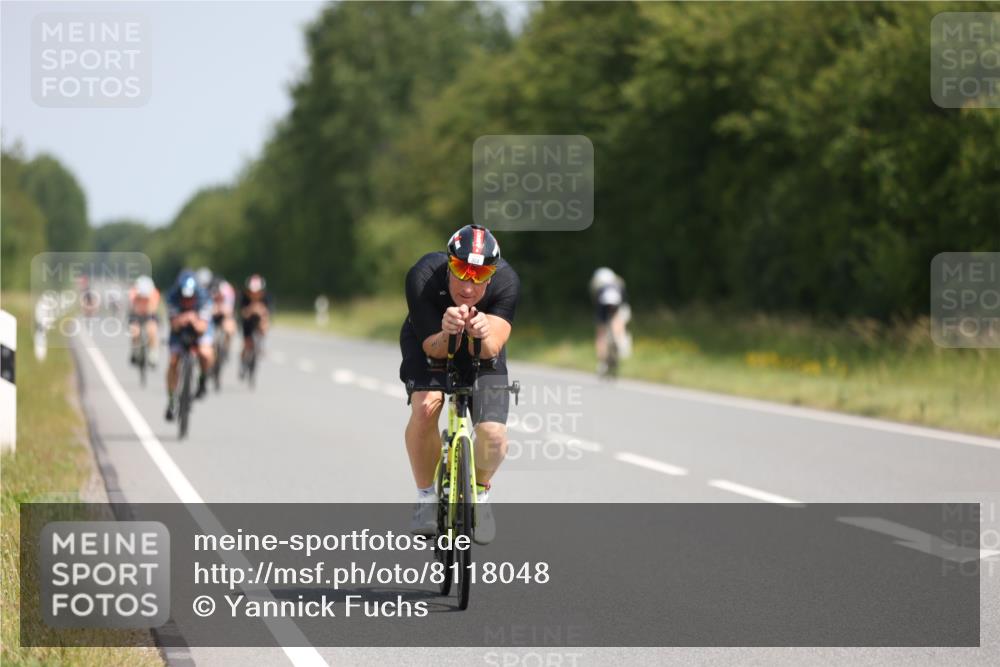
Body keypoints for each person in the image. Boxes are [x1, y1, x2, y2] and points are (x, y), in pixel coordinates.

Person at [400, 224, 520, 545]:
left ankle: (479, 493)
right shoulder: (423, 276)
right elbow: (431, 347)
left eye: (480, 275)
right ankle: (426, 496)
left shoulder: (507, 283)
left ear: (492, 274)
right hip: (431, 340)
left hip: (481, 345)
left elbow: (492, 348)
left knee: (493, 434)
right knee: (426, 406)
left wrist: (478, 334)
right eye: (460, 270)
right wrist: (449, 331)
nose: (469, 284)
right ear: (448, 263)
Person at [164, 270, 214, 421]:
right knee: (173, 362)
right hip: (179, 333)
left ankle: (202, 380)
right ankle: (172, 401)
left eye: (190, 298)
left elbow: (203, 327)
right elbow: (174, 326)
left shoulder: (204, 299)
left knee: (206, 354)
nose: (187, 301)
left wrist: (192, 319)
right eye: (184, 298)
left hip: (198, 331)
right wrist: (183, 319)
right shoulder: (172, 297)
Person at [589, 267, 631, 375]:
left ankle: (602, 362)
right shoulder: (619, 283)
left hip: (603, 304)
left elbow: (596, 301)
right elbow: (624, 303)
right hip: (618, 303)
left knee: (601, 333)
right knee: (618, 319)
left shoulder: (599, 288)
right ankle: (621, 341)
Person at [238, 274, 271, 376]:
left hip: (259, 320)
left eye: (257, 292)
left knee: (265, 325)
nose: (255, 294)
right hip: (247, 322)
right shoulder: (244, 297)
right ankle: (243, 363)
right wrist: (251, 309)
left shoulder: (266, 298)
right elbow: (242, 313)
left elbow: (268, 313)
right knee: (246, 343)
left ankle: (261, 345)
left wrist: (261, 311)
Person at [127, 275, 161, 368]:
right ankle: (135, 351)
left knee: (152, 331)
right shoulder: (133, 293)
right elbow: (132, 308)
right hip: (136, 314)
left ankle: (153, 354)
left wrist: (148, 314)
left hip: (149, 314)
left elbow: (153, 309)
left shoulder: (154, 293)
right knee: (134, 331)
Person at [210, 277, 237, 361]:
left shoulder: (228, 291)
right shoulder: (209, 290)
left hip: (225, 313)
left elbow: (229, 310)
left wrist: (222, 309)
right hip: (213, 314)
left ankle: (226, 349)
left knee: (229, 328)